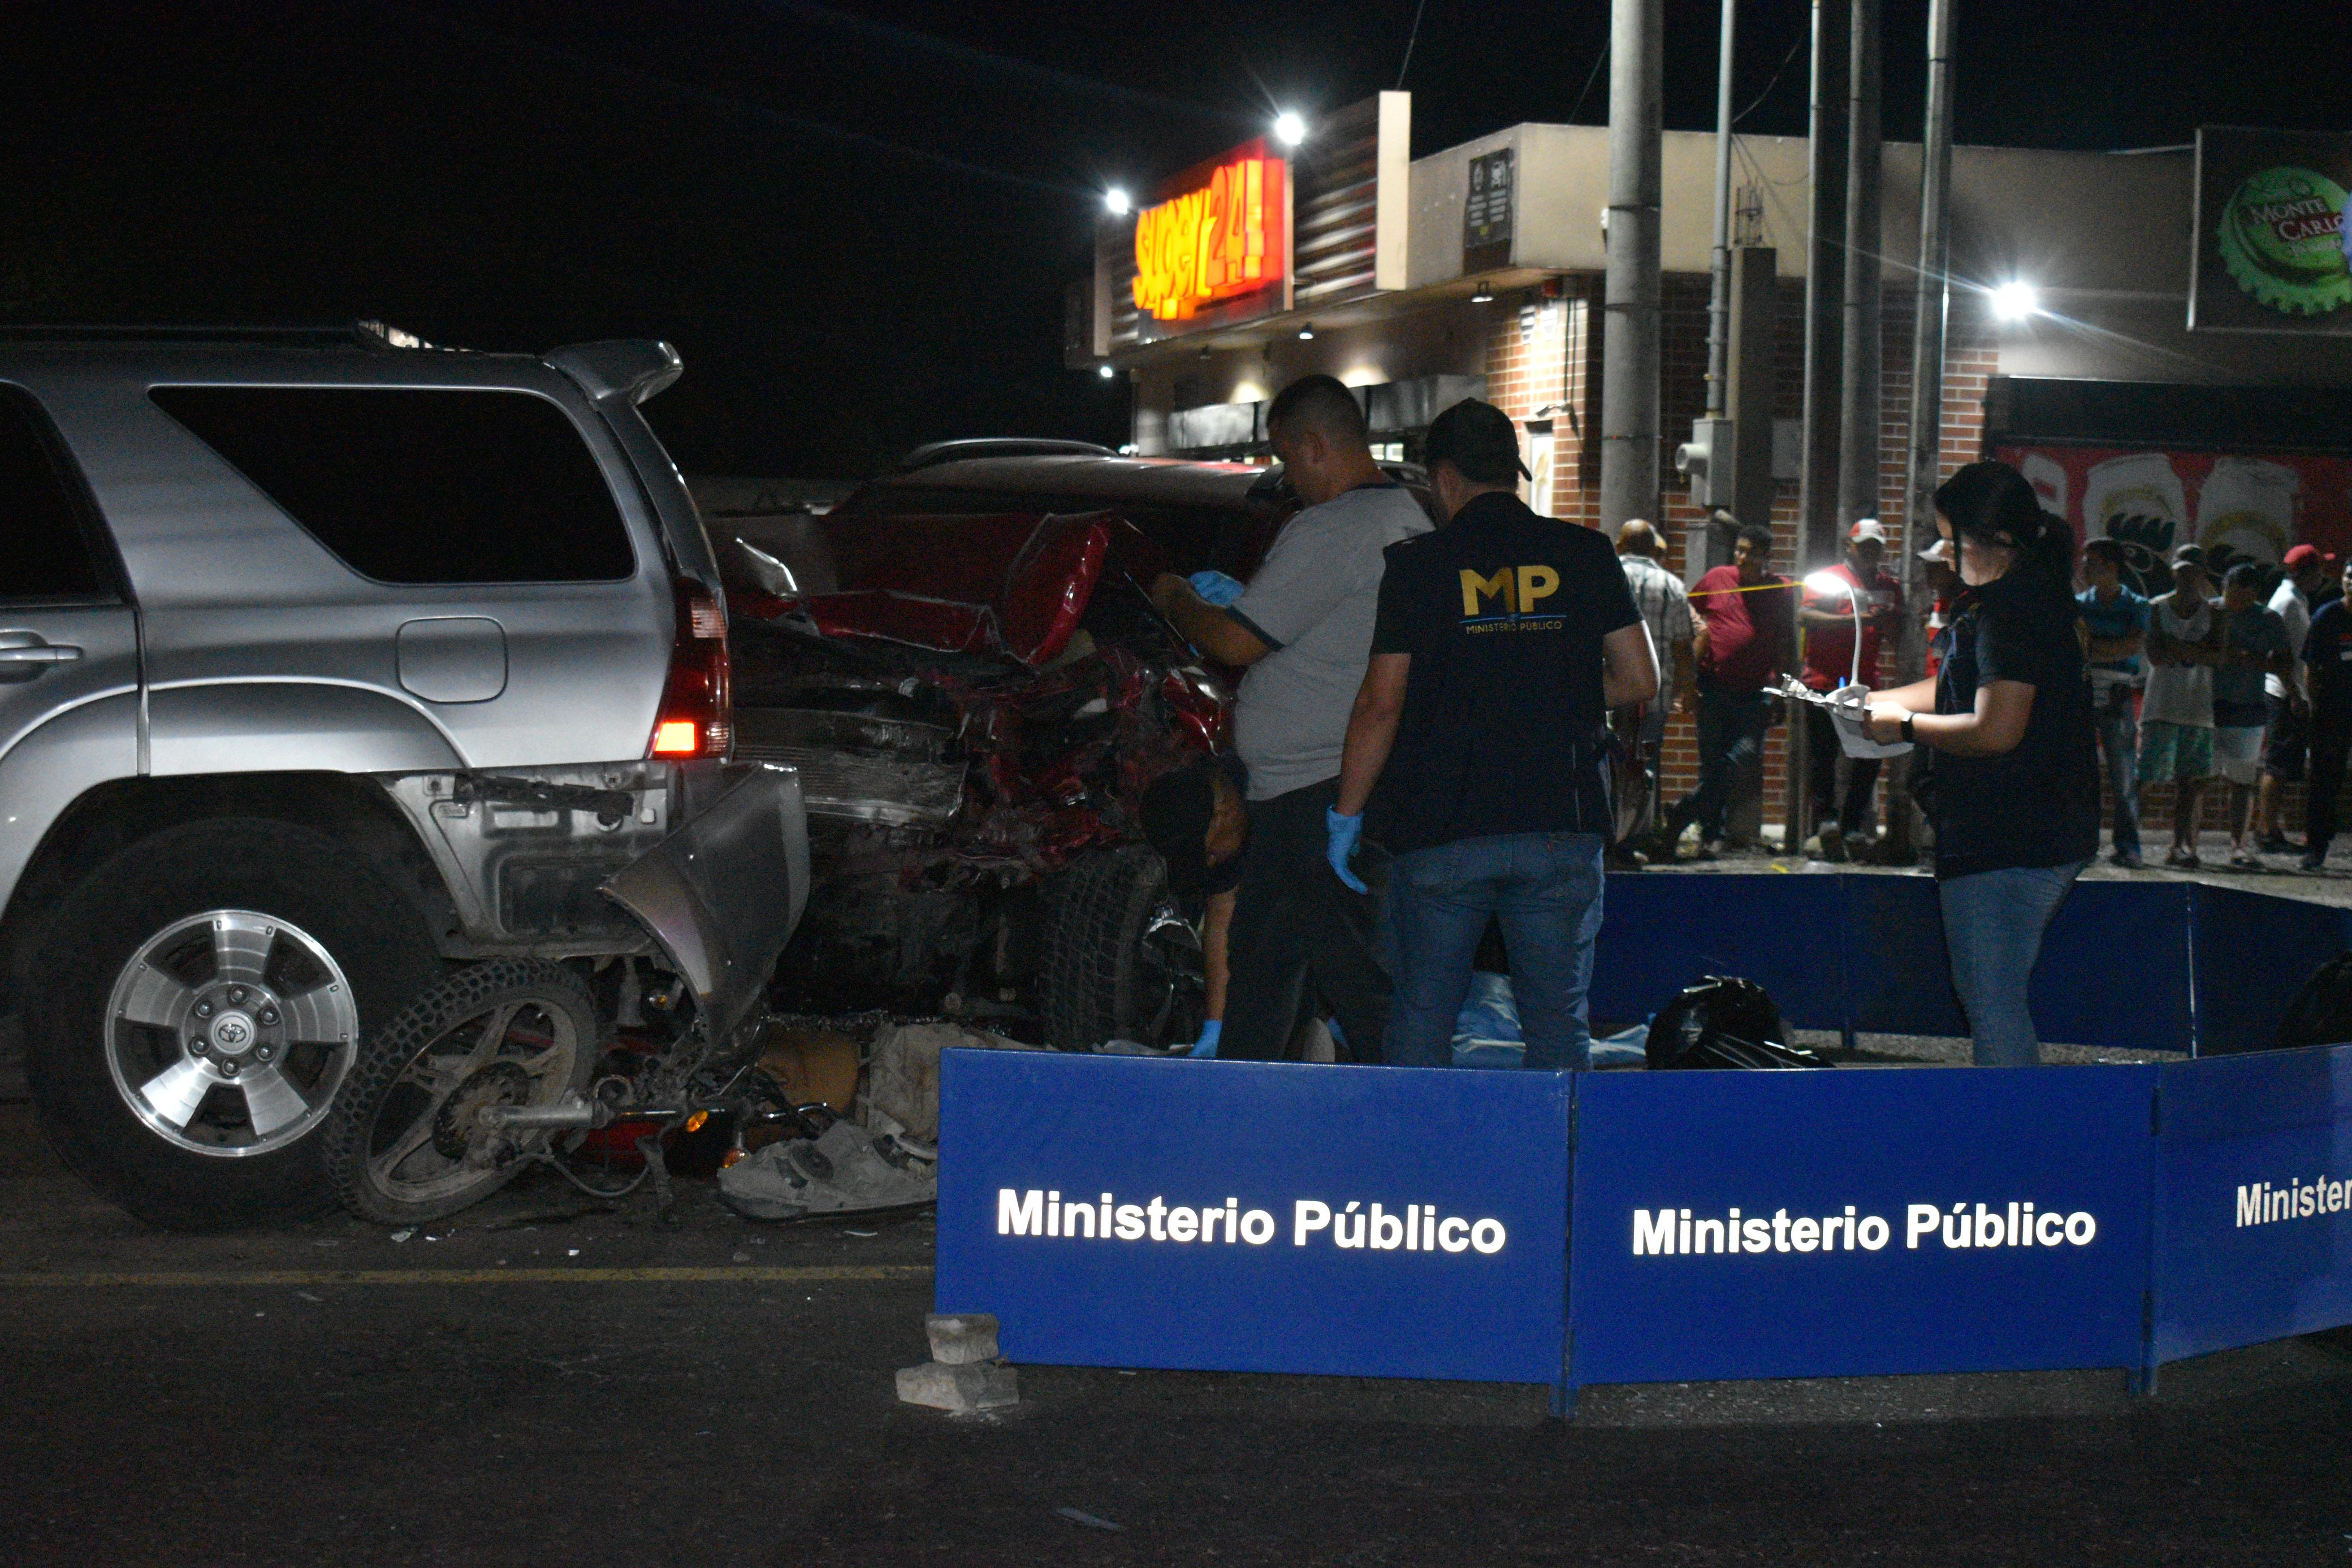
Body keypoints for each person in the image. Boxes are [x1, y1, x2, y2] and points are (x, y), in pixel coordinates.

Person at [1328, 399, 1655, 1071]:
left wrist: (1346, 813)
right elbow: (1638, 678)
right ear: (1512, 472)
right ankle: (1552, 1167)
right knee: (1557, 1019)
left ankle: (1418, 1163)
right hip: (1557, 820)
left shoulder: (1417, 565)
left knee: (1423, 1011)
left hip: (1443, 824)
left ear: (1443, 478)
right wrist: (1543, 690)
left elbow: (1380, 704)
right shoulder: (1585, 553)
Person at [1147, 374, 1428, 1061]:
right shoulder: (1406, 517)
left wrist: (1177, 598)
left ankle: (1403, 1131)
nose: (1285, 474)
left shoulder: (1336, 525)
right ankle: (1250, 1108)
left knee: (1354, 979)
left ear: (1313, 444)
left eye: (1285, 455)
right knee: (1267, 968)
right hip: (1313, 789)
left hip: (1319, 789)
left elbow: (1235, 641)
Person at [1865, 460, 2099, 1067]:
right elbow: (1963, 688)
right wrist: (1874, 702)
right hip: (2037, 825)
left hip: (2007, 833)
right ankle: (2016, 1134)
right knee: (1991, 992)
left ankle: (2015, 1141)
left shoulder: (2011, 610)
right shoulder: (2028, 596)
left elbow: (1994, 729)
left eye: (1949, 537)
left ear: (1991, 538)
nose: (1942, 553)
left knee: (1990, 998)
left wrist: (1903, 726)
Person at [1656, 521, 1791, 859]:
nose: (1743, 558)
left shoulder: (1780, 590)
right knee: (1712, 760)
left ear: (1766, 558)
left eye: (1751, 553)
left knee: (1744, 756)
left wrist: (1784, 687)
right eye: (1740, 550)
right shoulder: (1717, 579)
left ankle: (1684, 810)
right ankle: (1709, 835)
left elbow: (1785, 640)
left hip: (1756, 690)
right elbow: (1687, 615)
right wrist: (1687, 676)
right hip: (1714, 685)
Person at [1797, 518, 1902, 860]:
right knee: (1824, 755)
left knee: (1869, 754)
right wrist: (1859, 621)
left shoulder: (1889, 585)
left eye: (1876, 547)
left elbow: (1895, 632)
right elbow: (1807, 616)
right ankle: (1826, 822)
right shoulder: (1829, 579)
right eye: (1865, 545)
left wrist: (1890, 623)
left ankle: (1852, 824)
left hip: (1864, 684)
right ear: (1850, 546)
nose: (1870, 552)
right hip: (1824, 681)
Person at [1138, 756, 1248, 1056]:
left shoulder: (1271, 798)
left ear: (1223, 815)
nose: (1210, 862)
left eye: (1209, 854)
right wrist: (1215, 1025)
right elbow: (1220, 926)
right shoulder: (1219, 830)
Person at [2136, 543, 2220, 869]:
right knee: (2147, 777)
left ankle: (2180, 846)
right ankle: (2128, 840)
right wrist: (2195, 649)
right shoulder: (2156, 607)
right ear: (2174, 572)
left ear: (2202, 574)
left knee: (2191, 782)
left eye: (2194, 571)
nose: (2187, 577)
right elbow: (2156, 654)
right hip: (2161, 707)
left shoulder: (2214, 612)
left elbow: (2218, 655)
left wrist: (2178, 646)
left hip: (2199, 711)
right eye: (2182, 571)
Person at [1614, 519, 1694, 856]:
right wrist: (1687, 690)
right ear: (1653, 549)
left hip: (1606, 691)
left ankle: (1603, 835)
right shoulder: (1671, 586)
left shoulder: (1602, 575)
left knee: (1604, 763)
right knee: (1642, 765)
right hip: (1652, 694)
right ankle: (1633, 838)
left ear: (1620, 545)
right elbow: (1682, 647)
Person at [2211, 562, 2295, 867]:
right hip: (2206, 705)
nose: (2230, 601)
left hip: (2247, 706)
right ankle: (2187, 845)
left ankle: (2238, 845)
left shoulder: (2267, 619)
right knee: (2195, 780)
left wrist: (2258, 662)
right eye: (2227, 592)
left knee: (2241, 781)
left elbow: (2284, 662)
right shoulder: (2211, 611)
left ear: (2253, 594)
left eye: (2238, 595)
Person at [2077, 536, 2150, 869]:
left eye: (2091, 563)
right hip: (2086, 689)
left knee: (2123, 776)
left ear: (2111, 567)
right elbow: (2081, 646)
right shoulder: (2079, 604)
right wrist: (2108, 646)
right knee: (2081, 774)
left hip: (2117, 692)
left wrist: (2094, 647)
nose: (2085, 568)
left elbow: (2130, 647)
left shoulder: (2136, 604)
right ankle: (2083, 845)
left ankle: (2128, 846)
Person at [2255, 544, 2332, 853]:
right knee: (2279, 765)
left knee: (2284, 765)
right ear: (2307, 571)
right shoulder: (2288, 602)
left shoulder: (2294, 599)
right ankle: (2266, 831)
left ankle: (2271, 828)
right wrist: (2296, 694)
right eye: (2320, 569)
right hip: (2285, 694)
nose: (2324, 576)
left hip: (2287, 692)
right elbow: (2278, 656)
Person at [2299, 556, 2352, 873]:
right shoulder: (2328, 617)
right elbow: (2311, 667)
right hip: (2332, 711)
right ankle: (2315, 849)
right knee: (2323, 781)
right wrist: (2316, 706)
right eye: (2348, 576)